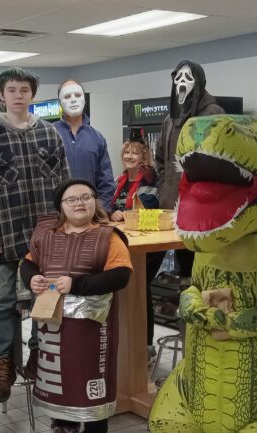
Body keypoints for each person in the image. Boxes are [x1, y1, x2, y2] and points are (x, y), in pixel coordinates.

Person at [0, 66, 72, 402]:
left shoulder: (50, 134)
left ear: (32, 95)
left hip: (45, 239)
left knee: (46, 301)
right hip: (4, 237)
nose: (17, 95)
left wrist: (67, 228)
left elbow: (65, 186)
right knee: (2, 304)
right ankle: (4, 365)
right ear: (2, 95)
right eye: (11, 90)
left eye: (24, 90)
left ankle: (38, 358)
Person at [20, 179, 132, 433]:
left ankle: (95, 430)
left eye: (86, 197)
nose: (79, 203)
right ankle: (63, 427)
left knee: (92, 374)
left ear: (95, 201)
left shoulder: (108, 236)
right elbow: (28, 264)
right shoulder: (46, 234)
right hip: (53, 323)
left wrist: (77, 284)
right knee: (60, 373)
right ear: (61, 206)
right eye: (71, 199)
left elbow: (121, 275)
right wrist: (31, 278)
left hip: (93, 325)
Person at [154, 60, 225, 277]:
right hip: (170, 205)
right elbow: (161, 160)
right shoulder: (169, 119)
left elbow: (219, 161)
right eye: (178, 78)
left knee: (198, 266)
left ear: (199, 81)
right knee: (178, 265)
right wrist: (164, 187)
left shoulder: (212, 114)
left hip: (201, 208)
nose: (181, 83)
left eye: (187, 78)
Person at [108, 140, 162, 361]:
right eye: (127, 152)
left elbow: (148, 207)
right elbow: (111, 207)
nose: (130, 156)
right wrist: (112, 214)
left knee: (140, 288)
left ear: (143, 157)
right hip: (124, 242)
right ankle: (128, 343)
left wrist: (125, 214)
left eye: (135, 153)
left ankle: (146, 346)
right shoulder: (119, 180)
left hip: (147, 245)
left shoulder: (149, 178)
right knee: (129, 291)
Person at [53, 79, 115, 211]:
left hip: (89, 215)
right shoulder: (49, 134)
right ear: (60, 102)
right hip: (57, 215)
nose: (73, 100)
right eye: (67, 96)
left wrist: (101, 212)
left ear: (84, 99)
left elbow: (106, 182)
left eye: (77, 95)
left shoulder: (97, 138)